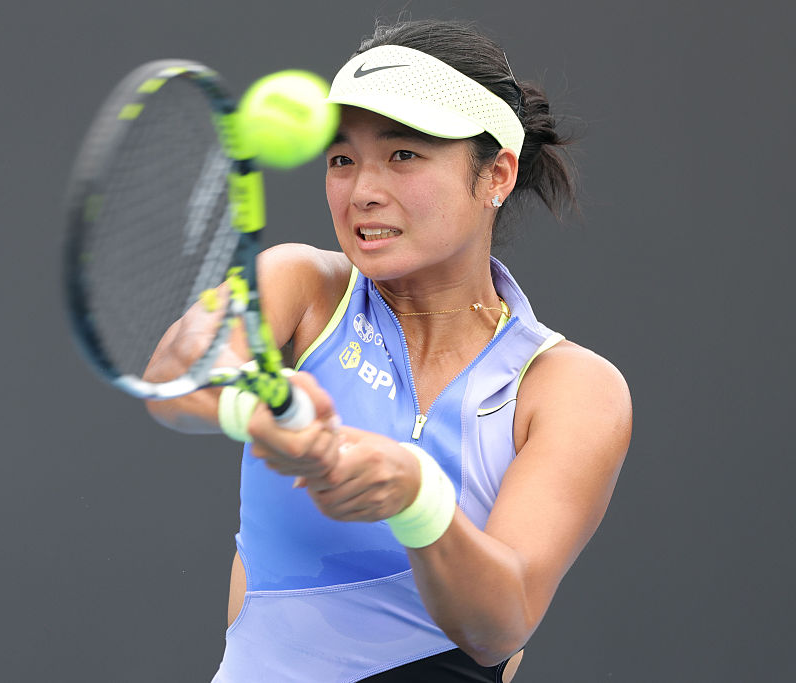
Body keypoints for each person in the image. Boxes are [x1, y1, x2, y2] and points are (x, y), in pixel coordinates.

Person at [145, 18, 632, 683]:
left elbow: (500, 624)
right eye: (342, 158)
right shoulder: (301, 287)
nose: (362, 189)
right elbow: (178, 370)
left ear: (496, 174)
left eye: (403, 155)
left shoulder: (570, 388)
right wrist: (251, 409)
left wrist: (417, 497)